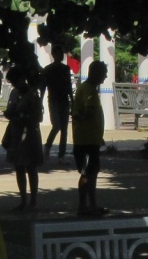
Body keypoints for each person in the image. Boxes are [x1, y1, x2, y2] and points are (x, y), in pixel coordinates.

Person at [3, 65, 44, 211]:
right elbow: (10, 109)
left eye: (15, 81)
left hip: (29, 133)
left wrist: (22, 116)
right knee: (19, 167)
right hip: (16, 132)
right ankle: (23, 200)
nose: (14, 85)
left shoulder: (32, 94)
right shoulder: (14, 93)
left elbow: (39, 116)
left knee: (31, 167)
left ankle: (33, 200)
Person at [71, 60, 108, 215]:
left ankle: (91, 205)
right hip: (86, 139)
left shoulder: (86, 88)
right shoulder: (89, 91)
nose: (105, 76)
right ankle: (85, 206)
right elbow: (88, 113)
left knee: (91, 173)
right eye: (103, 73)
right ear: (96, 73)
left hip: (89, 138)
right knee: (88, 173)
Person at [41, 51, 73, 160]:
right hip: (55, 100)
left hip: (62, 100)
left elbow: (68, 85)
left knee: (63, 128)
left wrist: (72, 101)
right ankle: (48, 146)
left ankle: (61, 155)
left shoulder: (64, 69)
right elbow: (43, 86)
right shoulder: (50, 69)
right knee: (58, 126)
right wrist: (40, 101)